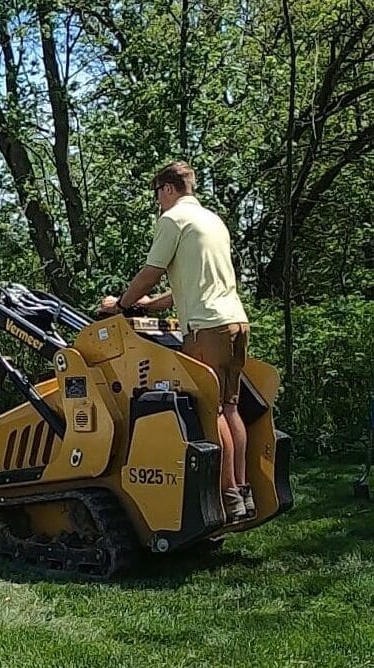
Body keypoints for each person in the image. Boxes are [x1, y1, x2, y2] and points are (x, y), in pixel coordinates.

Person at [100, 161, 252, 522]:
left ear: (167, 189)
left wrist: (120, 305)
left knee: (210, 411)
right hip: (235, 323)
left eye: (158, 195)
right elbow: (193, 282)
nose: (158, 203)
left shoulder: (172, 220)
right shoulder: (212, 221)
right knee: (231, 409)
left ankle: (228, 496)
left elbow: (151, 271)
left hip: (204, 329)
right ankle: (244, 493)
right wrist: (151, 306)